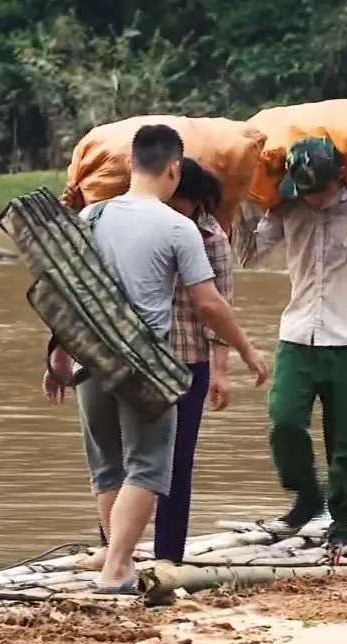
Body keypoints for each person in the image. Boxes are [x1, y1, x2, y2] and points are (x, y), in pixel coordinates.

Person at [44, 124, 267, 593]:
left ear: (129, 165)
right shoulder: (178, 227)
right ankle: (116, 570)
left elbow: (67, 293)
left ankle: (116, 560)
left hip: (89, 357)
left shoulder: (91, 218)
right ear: (172, 169)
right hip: (144, 362)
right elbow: (208, 302)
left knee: (108, 466)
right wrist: (245, 349)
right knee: (148, 467)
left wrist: (57, 358)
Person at [233, 133, 347, 557]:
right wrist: (240, 197)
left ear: (338, 176)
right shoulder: (288, 207)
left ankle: (341, 521)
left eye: (320, 190)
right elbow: (248, 254)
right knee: (283, 421)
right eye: (306, 192)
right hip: (298, 337)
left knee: (346, 442)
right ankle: (305, 494)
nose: (314, 200)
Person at [85, 157, 236, 566]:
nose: (173, 209)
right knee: (117, 458)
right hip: (132, 357)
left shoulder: (209, 236)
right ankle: (115, 549)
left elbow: (218, 305)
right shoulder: (131, 224)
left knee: (173, 465)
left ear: (192, 199)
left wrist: (221, 371)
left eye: (180, 203)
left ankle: (168, 554)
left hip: (187, 362)